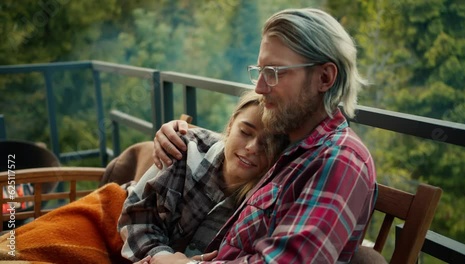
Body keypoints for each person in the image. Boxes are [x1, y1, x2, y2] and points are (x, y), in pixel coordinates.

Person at [153, 7, 377, 264]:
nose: (259, 87)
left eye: (275, 73)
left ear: (324, 78)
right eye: (260, 71)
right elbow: (236, 144)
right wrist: (180, 134)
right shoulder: (290, 143)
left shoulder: (339, 159)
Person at [118, 90, 289, 264]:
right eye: (245, 132)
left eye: (268, 142)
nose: (252, 147)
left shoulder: (267, 199)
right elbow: (137, 217)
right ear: (230, 125)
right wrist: (162, 256)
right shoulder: (183, 148)